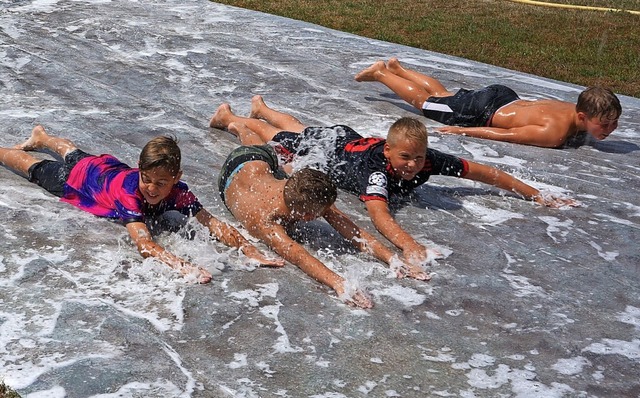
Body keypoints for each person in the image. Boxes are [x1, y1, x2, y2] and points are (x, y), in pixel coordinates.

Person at [209, 96, 576, 265]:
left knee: (299, 128)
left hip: (346, 138)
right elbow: (380, 216)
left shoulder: (427, 159)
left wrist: (536, 194)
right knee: (279, 138)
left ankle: (262, 107)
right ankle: (234, 119)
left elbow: (486, 173)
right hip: (332, 150)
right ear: (389, 153)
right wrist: (408, 245)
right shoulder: (377, 173)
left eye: (418, 158)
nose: (413, 166)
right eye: (405, 158)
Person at [0, 125, 283, 283]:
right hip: (81, 181)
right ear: (140, 168)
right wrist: (184, 267)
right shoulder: (131, 195)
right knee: (32, 167)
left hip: (104, 168)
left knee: (74, 152)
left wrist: (248, 249)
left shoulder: (179, 192)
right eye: (146, 179)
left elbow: (212, 223)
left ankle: (43, 137)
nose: (151, 188)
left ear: (176, 178)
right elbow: (144, 244)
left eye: (161, 183)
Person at [216, 124, 433, 308]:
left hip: (258, 162)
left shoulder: (300, 190)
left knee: (261, 148)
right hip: (234, 173)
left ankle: (241, 127)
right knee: (254, 149)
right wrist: (339, 283)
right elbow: (298, 256)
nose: (331, 214)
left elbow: (353, 231)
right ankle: (233, 122)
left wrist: (392, 259)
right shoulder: (267, 222)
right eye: (325, 213)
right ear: (309, 216)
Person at [354, 57, 622, 148]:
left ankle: (399, 69)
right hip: (484, 111)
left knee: (447, 95)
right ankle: (381, 73)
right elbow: (507, 135)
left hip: (505, 97)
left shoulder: (573, 108)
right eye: (604, 123)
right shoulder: (555, 134)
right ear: (584, 117)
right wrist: (462, 130)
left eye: (614, 123)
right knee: (427, 103)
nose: (609, 129)